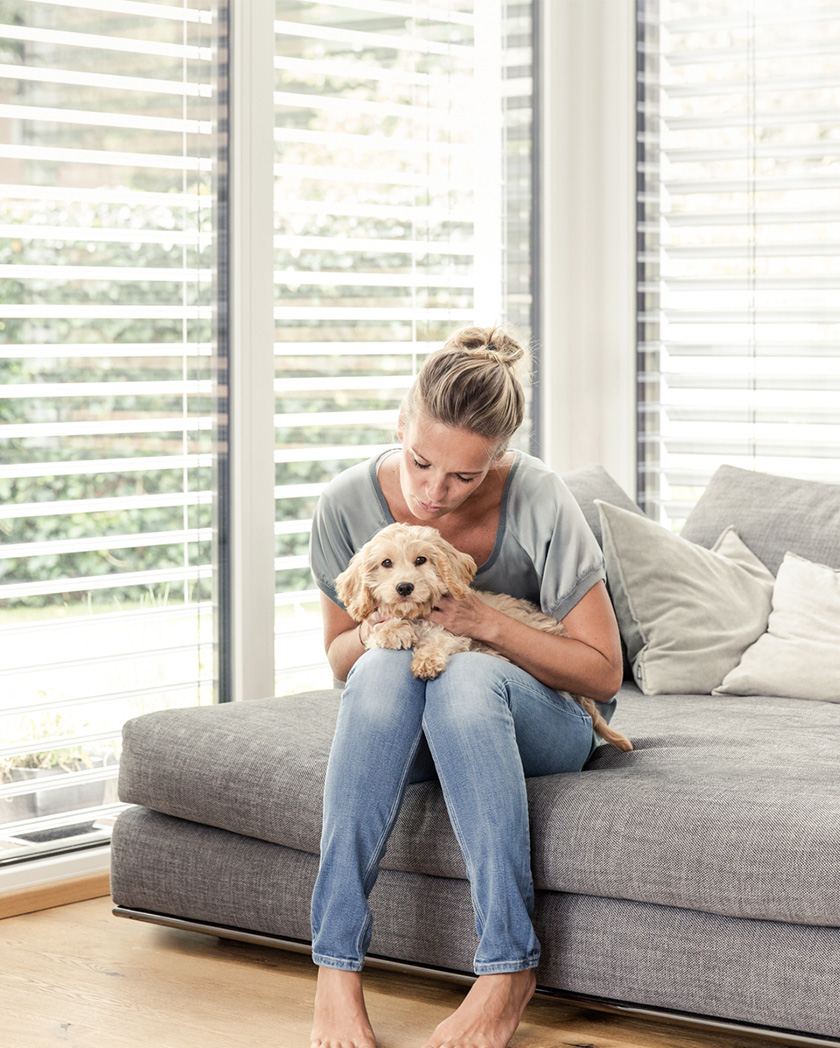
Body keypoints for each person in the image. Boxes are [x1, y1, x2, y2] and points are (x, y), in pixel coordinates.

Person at [308, 326, 623, 1048]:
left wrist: (486, 622)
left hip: (539, 720)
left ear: (500, 460)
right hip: (401, 724)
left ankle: (508, 967)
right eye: (421, 463)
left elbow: (603, 673)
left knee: (465, 676)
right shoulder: (344, 503)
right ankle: (334, 965)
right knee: (384, 663)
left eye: (465, 477)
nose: (432, 494)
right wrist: (384, 620)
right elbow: (338, 657)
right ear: (400, 426)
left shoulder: (542, 498)